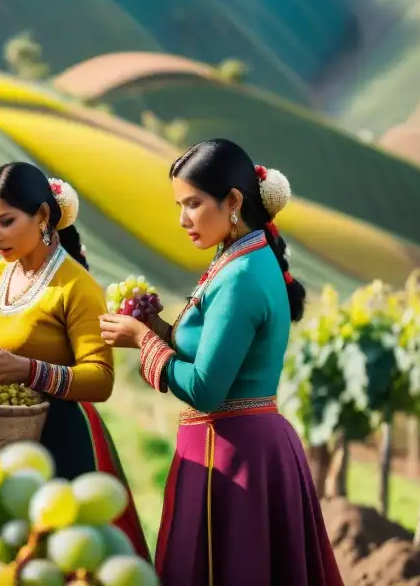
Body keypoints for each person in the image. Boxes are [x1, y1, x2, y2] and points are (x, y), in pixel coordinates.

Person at [99, 139, 344, 586]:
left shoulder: (240, 277)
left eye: (193, 204)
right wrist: (154, 325)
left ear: (232, 201)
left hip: (232, 458)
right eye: (180, 205)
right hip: (239, 448)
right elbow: (209, 350)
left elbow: (207, 388)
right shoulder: (237, 260)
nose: (182, 219)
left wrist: (142, 340)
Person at [0, 161, 150, 560]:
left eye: (7, 221)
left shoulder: (77, 287)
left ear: (43, 215)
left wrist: (29, 370)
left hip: (58, 449)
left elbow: (100, 380)